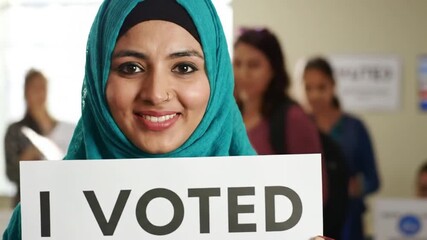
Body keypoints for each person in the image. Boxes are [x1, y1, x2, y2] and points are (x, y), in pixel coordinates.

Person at [3, 0, 256, 239]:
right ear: (98, 76)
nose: (156, 94)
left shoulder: (272, 208)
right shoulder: (41, 218)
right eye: (131, 67)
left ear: (217, 79)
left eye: (184, 67)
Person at [303, 56, 380, 240]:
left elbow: (374, 179)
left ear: (333, 86)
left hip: (349, 219)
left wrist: (356, 186)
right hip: (311, 219)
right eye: (308, 88)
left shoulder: (354, 127)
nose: (315, 95)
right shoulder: (301, 127)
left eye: (321, 87)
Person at [4, 68, 75, 207]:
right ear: (25, 92)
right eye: (34, 87)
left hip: (61, 200)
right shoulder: (16, 131)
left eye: (42, 87)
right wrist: (29, 155)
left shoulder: (68, 130)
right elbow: (11, 173)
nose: (39, 92)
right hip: (27, 203)